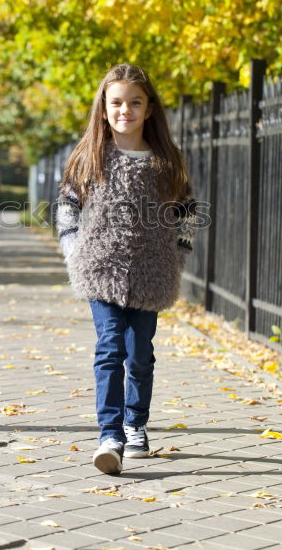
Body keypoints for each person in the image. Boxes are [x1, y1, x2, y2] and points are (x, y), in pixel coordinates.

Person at [54, 63, 198, 475]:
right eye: (116, 102)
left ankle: (136, 424)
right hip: (99, 269)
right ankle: (109, 434)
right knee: (109, 347)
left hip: (152, 273)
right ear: (103, 108)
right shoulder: (89, 157)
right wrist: (73, 252)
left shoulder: (165, 162)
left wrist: (178, 258)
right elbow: (67, 208)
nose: (125, 111)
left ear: (149, 109)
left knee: (139, 355)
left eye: (135, 102)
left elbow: (187, 213)